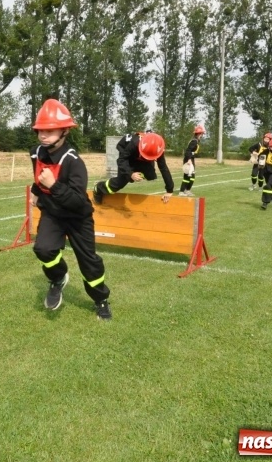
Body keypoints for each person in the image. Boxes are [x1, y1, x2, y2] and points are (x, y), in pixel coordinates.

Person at [30, 99, 112, 320]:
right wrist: (36, 192)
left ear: (65, 131)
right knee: (43, 249)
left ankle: (101, 300)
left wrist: (53, 186)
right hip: (53, 213)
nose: (43, 135)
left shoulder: (74, 162)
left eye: (49, 130)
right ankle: (58, 278)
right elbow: (38, 178)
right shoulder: (36, 152)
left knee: (89, 263)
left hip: (78, 217)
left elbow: (77, 200)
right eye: (40, 130)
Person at [92, 131, 174, 205]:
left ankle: (134, 174)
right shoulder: (134, 143)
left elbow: (163, 168)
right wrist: (130, 174)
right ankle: (98, 188)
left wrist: (169, 190)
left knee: (151, 175)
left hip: (139, 156)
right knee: (118, 184)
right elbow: (121, 160)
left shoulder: (158, 148)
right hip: (127, 156)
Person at [178, 125, 205, 197]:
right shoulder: (194, 141)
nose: (202, 135)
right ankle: (181, 191)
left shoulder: (196, 141)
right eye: (201, 134)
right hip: (188, 160)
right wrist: (189, 160)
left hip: (191, 159)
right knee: (187, 176)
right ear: (198, 134)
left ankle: (187, 190)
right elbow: (188, 151)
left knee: (192, 177)